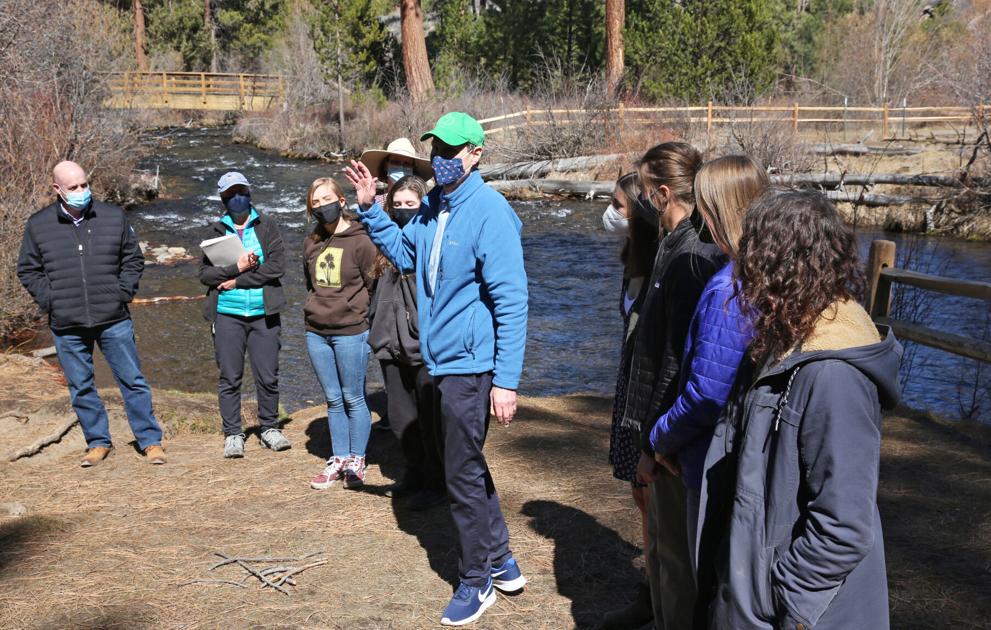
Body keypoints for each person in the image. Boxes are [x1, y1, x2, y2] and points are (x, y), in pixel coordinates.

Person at [344, 112, 528, 627]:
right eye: (437, 150)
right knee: (465, 461)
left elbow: (512, 302)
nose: (442, 160)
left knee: (460, 471)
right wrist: (370, 212)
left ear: (476, 153)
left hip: (473, 365)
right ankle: (501, 558)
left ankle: (477, 581)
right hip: (441, 360)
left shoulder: (490, 212)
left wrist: (507, 380)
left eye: (452, 150)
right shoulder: (433, 208)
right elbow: (406, 255)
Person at [703, 188, 901, 629]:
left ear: (778, 264)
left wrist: (787, 602)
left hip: (802, 614)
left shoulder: (832, 373)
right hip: (756, 594)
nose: (742, 267)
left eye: (752, 253)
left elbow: (844, 524)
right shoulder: (788, 337)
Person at [621, 142, 724, 630]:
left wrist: (653, 442)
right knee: (662, 547)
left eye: (644, 191)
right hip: (661, 432)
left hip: (670, 440)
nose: (640, 201)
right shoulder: (671, 245)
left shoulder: (691, 258)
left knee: (676, 561)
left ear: (663, 193)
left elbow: (676, 364)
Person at [647, 155, 769, 564]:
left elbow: (705, 394)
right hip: (752, 456)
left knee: (707, 576)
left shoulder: (727, 289)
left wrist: (660, 438)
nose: (699, 218)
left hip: (712, 462)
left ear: (720, 211)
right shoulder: (774, 272)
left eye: (704, 208)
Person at [16, 160, 166, 467]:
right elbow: (28, 270)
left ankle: (150, 441)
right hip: (66, 323)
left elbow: (133, 260)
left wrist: (122, 292)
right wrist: (51, 301)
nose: (82, 191)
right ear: (57, 189)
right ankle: (97, 442)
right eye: (74, 187)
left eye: (84, 184)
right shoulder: (39, 225)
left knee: (133, 380)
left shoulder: (113, 216)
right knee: (81, 386)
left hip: (113, 319)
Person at [600, 171, 660, 630]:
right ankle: (652, 588)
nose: (610, 214)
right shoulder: (634, 259)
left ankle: (662, 595)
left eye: (618, 206)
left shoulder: (668, 261)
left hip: (654, 392)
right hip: (632, 381)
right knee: (640, 495)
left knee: (655, 492)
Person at [367, 175, 447, 511]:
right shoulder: (382, 250)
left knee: (430, 423)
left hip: (423, 348)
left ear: (423, 206)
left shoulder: (429, 244)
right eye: (396, 205)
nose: (401, 211)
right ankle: (414, 474)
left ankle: (438, 482)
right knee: (401, 421)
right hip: (390, 345)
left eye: (409, 205)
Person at [198, 171, 289, 458]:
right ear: (223, 198)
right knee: (229, 377)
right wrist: (235, 269)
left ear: (249, 193)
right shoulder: (215, 231)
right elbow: (205, 275)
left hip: (264, 313)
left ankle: (270, 427)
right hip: (227, 315)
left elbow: (277, 268)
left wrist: (238, 280)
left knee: (267, 374)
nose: (238, 198)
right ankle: (232, 433)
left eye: (242, 192)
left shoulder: (267, 225)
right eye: (231, 194)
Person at [304, 177, 378, 490]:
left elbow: (373, 285)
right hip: (316, 332)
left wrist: (363, 321)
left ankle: (357, 460)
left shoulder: (362, 240)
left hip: (351, 331)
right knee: (333, 399)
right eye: (315, 203)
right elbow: (310, 284)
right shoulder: (311, 241)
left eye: (326, 199)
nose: (322, 206)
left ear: (342, 200)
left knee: (353, 397)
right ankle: (338, 457)